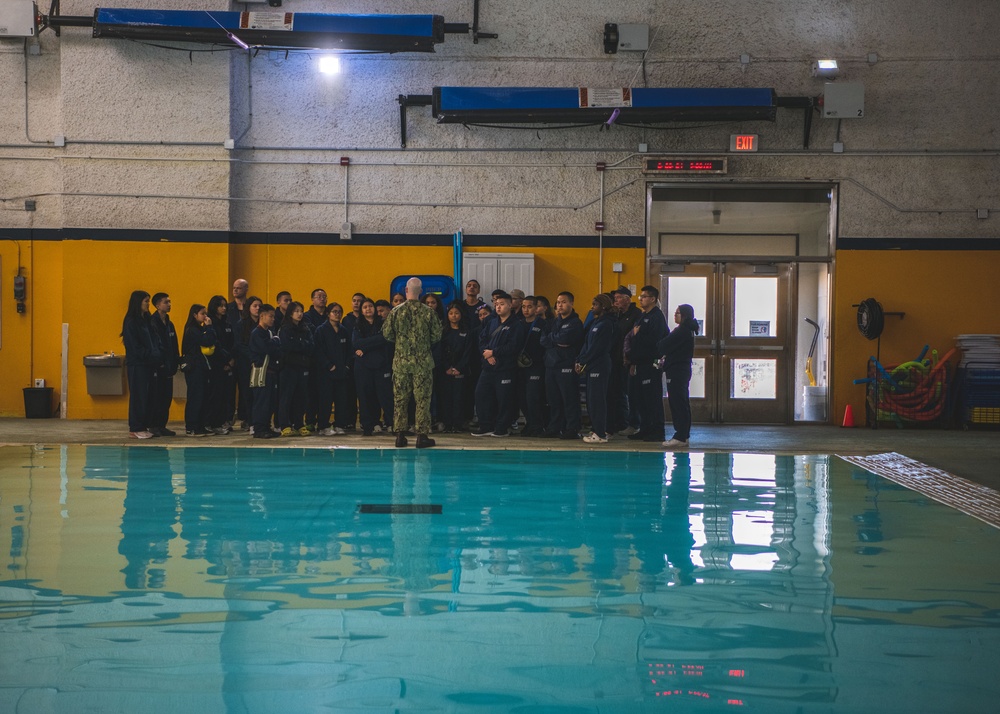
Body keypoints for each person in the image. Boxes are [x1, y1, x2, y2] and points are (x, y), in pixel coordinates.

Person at [382, 277, 444, 448]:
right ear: (421, 292)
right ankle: (422, 436)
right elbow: (437, 336)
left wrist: (402, 343)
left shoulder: (395, 311)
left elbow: (387, 334)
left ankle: (400, 436)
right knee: (422, 400)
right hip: (423, 363)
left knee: (400, 400)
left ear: (406, 291)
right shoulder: (429, 312)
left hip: (401, 363)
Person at [472, 291, 525, 437]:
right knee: (481, 394)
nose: (498, 307)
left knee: (505, 399)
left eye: (502, 304)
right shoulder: (491, 321)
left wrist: (494, 352)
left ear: (510, 305)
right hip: (488, 367)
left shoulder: (516, 325)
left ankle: (502, 428)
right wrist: (487, 355)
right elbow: (482, 340)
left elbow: (513, 346)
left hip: (505, 368)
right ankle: (485, 425)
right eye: (496, 304)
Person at [539, 291, 583, 440]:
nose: (560, 305)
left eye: (564, 302)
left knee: (569, 398)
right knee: (553, 399)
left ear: (571, 303)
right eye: (558, 302)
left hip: (566, 365)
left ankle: (572, 428)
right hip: (551, 365)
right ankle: (555, 427)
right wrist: (555, 340)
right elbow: (543, 340)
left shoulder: (575, 323)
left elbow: (566, 339)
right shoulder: (552, 322)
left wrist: (553, 339)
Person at [626, 286, 668, 442]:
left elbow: (655, 341)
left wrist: (638, 334)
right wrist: (633, 362)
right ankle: (645, 428)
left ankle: (657, 430)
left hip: (651, 363)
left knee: (652, 398)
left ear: (652, 299)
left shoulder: (657, 317)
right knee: (640, 398)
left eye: (644, 296)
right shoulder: (643, 316)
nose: (641, 299)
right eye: (640, 296)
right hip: (639, 363)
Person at [656, 304, 700, 449]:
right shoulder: (686, 330)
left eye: (678, 313)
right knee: (680, 401)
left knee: (678, 402)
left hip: (677, 370)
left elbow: (662, 345)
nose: (675, 315)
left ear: (685, 315)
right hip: (680, 369)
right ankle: (682, 434)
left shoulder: (682, 331)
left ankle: (680, 435)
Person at [121, 290, 161, 439]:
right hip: (137, 364)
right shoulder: (131, 321)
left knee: (147, 396)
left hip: (149, 363)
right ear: (138, 302)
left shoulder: (147, 319)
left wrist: (156, 353)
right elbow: (134, 346)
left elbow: (154, 339)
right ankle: (135, 427)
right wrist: (149, 354)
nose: (148, 304)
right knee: (138, 395)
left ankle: (143, 425)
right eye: (146, 301)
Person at [575, 294, 615, 443]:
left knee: (597, 400)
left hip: (600, 365)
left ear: (603, 306)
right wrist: (579, 360)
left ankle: (600, 434)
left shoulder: (607, 324)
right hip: (591, 365)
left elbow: (598, 348)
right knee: (592, 400)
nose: (592, 307)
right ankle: (596, 429)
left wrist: (583, 361)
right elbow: (587, 344)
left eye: (595, 304)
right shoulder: (596, 323)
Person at [352, 298, 393, 436]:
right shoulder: (357, 326)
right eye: (365, 307)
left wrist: (366, 347)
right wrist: (372, 343)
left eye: (370, 306)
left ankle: (391, 423)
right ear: (361, 311)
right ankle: (369, 425)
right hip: (363, 367)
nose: (368, 309)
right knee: (365, 397)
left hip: (381, 366)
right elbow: (356, 343)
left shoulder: (383, 324)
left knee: (385, 396)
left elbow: (385, 339)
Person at [277, 301, 315, 436]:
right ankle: (284, 424)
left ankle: (299, 423)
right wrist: (301, 345)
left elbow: (311, 346)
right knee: (286, 396)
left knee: (301, 397)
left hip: (303, 366)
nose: (300, 314)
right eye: (297, 311)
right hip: (288, 367)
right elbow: (287, 346)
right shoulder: (285, 329)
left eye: (301, 311)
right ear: (290, 313)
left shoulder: (306, 328)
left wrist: (299, 345)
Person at [180, 303, 217, 437]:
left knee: (203, 396)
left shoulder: (199, 329)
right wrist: (209, 327)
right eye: (202, 314)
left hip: (202, 367)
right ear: (195, 315)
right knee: (195, 396)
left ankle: (201, 425)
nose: (205, 316)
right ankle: (191, 426)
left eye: (206, 314)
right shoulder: (192, 330)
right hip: (194, 367)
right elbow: (207, 340)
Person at [315, 302, 351, 435]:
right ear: (328, 314)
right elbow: (318, 350)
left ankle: (339, 424)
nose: (337, 314)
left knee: (341, 399)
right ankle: (323, 426)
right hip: (326, 373)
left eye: (339, 311)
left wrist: (346, 365)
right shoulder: (321, 330)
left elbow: (349, 350)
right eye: (334, 311)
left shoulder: (344, 330)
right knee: (326, 400)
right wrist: (328, 365)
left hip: (341, 372)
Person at [611, 286, 642, 435]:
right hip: (616, 360)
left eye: (618, 298)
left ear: (628, 299)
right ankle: (621, 422)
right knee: (618, 393)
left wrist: (631, 359)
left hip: (628, 361)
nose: (615, 301)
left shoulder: (636, 315)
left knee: (632, 393)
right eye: (615, 298)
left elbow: (633, 339)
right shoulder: (617, 315)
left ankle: (635, 423)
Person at [440, 300, 474, 432]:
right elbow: (440, 352)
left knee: (460, 398)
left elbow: (468, 352)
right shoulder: (443, 332)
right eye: (451, 313)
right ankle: (447, 424)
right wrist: (446, 367)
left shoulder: (467, 332)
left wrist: (459, 368)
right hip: (446, 371)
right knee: (446, 398)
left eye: (456, 313)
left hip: (461, 371)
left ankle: (458, 424)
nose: (454, 316)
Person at [148, 292, 179, 437]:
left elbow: (174, 344)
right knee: (157, 397)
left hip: (169, 366)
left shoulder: (169, 323)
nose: (169, 304)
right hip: (158, 366)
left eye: (170, 301)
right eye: (166, 302)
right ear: (157, 305)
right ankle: (154, 425)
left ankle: (162, 425)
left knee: (166, 397)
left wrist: (176, 361)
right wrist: (159, 363)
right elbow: (154, 345)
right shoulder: (152, 322)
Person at [249, 304, 281, 439]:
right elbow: (266, 348)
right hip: (261, 372)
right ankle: (259, 428)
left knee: (270, 402)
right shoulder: (257, 333)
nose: (273, 319)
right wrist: (275, 342)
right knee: (262, 401)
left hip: (271, 372)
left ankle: (266, 426)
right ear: (262, 316)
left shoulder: (269, 332)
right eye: (270, 316)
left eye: (274, 316)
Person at [517, 295, 547, 436]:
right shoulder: (519, 324)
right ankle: (530, 423)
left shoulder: (543, 324)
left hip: (537, 366)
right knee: (522, 398)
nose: (526, 309)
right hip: (520, 366)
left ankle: (538, 425)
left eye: (529, 307)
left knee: (533, 397)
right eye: (523, 306)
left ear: (536, 308)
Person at [205, 295, 235, 435]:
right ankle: (212, 422)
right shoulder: (210, 324)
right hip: (216, 364)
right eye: (220, 305)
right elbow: (215, 345)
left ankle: (222, 421)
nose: (223, 308)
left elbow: (232, 344)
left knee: (226, 396)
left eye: (225, 306)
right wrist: (225, 360)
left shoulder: (228, 324)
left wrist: (231, 360)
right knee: (215, 395)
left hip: (228, 363)